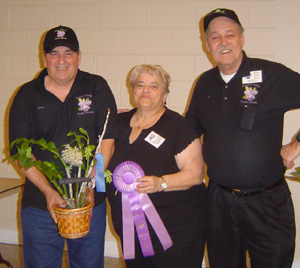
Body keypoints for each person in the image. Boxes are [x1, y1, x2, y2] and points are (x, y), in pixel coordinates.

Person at [185, 8, 300, 268]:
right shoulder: (204, 83)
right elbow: (187, 131)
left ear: (242, 38)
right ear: (207, 44)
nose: (223, 42)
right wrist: (144, 117)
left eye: (230, 35)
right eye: (215, 37)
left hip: (267, 203)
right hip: (219, 202)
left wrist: (297, 144)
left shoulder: (271, 74)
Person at [9, 25, 117, 268]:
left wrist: (90, 187)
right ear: (44, 57)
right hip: (40, 205)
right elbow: (21, 154)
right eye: (54, 53)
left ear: (78, 56)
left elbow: (106, 143)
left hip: (90, 201)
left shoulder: (96, 87)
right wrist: (49, 192)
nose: (61, 60)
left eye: (68, 53)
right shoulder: (26, 95)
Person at [106, 64, 206, 268]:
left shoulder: (178, 126)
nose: (145, 90)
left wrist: (160, 183)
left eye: (154, 86)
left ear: (165, 94)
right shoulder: (119, 122)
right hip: (129, 225)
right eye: (140, 85)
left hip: (175, 228)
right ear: (133, 91)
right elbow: (101, 159)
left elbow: (195, 174)